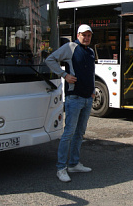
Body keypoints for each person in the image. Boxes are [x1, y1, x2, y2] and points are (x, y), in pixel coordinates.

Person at [45, 24, 95, 182]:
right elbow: (50, 59)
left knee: (80, 133)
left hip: (87, 98)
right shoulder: (70, 47)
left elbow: (91, 72)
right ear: (78, 34)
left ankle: (74, 163)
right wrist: (64, 74)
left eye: (89, 35)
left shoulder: (91, 51)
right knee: (69, 134)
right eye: (84, 35)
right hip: (74, 98)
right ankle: (61, 168)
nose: (86, 38)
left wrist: (93, 90)